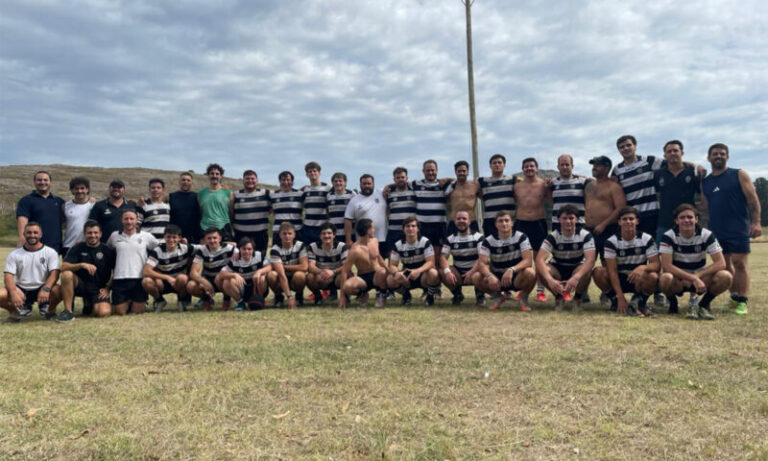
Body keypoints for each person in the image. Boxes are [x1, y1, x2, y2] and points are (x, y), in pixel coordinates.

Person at [701, 143, 762, 315]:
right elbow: (704, 206)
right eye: (715, 154)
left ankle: (742, 301)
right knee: (725, 266)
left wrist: (756, 222)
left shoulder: (738, 174)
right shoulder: (706, 182)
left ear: (727, 157)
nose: (718, 156)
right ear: (709, 158)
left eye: (722, 154)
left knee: (740, 263)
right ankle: (734, 299)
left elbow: (752, 199)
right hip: (717, 229)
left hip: (738, 227)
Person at [659, 204, 733, 319]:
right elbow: (666, 266)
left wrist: (696, 277)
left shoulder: (707, 235)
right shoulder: (668, 236)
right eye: (682, 217)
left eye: (690, 217)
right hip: (679, 279)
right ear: (676, 221)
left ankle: (703, 305)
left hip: (701, 279)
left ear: (696, 219)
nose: (686, 220)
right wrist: (691, 278)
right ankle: (673, 304)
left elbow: (721, 263)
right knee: (665, 278)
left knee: (726, 276)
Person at [592, 207, 659, 316]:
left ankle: (639, 303)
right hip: (619, 279)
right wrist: (620, 297)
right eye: (624, 219)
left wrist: (642, 268)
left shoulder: (647, 238)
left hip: (637, 278)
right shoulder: (611, 241)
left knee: (653, 276)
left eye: (631, 219)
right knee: (598, 272)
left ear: (637, 221)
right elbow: (612, 271)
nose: (628, 222)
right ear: (619, 222)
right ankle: (615, 302)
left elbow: (656, 264)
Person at [536, 205, 597, 312]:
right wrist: (550, 280)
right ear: (559, 220)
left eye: (571, 218)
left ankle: (577, 298)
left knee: (586, 271)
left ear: (577, 219)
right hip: (558, 268)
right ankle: (559, 297)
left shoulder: (585, 235)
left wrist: (576, 278)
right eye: (564, 218)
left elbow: (590, 260)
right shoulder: (553, 236)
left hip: (576, 267)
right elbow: (539, 260)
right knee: (542, 271)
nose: (568, 221)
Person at [1, 222, 61, 323]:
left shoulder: (50, 252)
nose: (32, 235)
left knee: (60, 290)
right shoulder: (14, 254)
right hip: (21, 289)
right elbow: (8, 276)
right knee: (1, 294)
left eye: (35, 233)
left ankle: (49, 310)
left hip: (42, 287)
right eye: (29, 233)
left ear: (41, 234)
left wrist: (46, 289)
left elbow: (54, 273)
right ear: (24, 234)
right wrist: (13, 293)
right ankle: (15, 312)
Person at [476, 211, 536, 311]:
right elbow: (481, 263)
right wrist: (490, 276)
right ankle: (497, 297)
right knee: (476, 277)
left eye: (506, 220)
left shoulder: (521, 237)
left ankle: (523, 299)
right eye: (500, 221)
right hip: (497, 279)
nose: (504, 224)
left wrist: (511, 269)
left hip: (516, 277)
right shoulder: (488, 241)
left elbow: (528, 261)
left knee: (530, 272)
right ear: (496, 224)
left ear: (512, 223)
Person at [58, 220, 115, 321]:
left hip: (98, 289)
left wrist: (107, 288)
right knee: (66, 275)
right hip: (80, 285)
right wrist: (81, 265)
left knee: (103, 312)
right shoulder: (78, 247)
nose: (92, 235)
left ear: (100, 234)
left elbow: (115, 272)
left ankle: (89, 304)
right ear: (84, 234)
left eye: (95, 233)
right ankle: (68, 312)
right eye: (89, 233)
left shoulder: (107, 251)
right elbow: (63, 267)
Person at [106, 209, 160, 315]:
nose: (129, 221)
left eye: (132, 219)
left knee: (137, 312)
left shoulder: (146, 236)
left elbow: (160, 249)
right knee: (120, 312)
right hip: (120, 279)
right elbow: (106, 250)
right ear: (121, 220)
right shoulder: (114, 236)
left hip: (139, 279)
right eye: (126, 219)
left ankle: (140, 301)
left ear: (136, 221)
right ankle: (127, 301)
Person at [611, 135, 664, 240]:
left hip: (651, 213)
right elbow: (609, 185)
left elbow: (673, 164)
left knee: (652, 247)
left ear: (634, 146)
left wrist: (695, 166)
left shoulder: (649, 160)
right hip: (632, 217)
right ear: (619, 150)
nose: (625, 148)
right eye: (622, 147)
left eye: (628, 145)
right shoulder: (617, 170)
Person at [513, 157, 550, 301]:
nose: (529, 169)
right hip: (521, 223)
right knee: (521, 259)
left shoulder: (544, 184)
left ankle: (540, 290)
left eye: (531, 166)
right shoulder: (516, 186)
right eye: (526, 167)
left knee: (538, 258)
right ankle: (522, 288)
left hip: (538, 223)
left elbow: (552, 199)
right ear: (523, 169)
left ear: (537, 168)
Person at [654, 140, 703, 242]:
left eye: (675, 151)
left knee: (690, 255)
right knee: (662, 255)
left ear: (682, 153)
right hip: (665, 222)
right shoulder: (658, 174)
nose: (672, 153)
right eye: (669, 151)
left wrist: (701, 206)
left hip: (687, 221)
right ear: (665, 155)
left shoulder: (692, 173)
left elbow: (702, 192)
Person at [386, 217, 441, 306]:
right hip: (407, 276)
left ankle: (430, 296)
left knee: (433, 273)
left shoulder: (425, 241)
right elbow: (392, 265)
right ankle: (406, 295)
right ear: (403, 229)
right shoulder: (398, 244)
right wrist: (396, 273)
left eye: (413, 226)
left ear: (418, 229)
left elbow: (431, 262)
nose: (410, 228)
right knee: (390, 279)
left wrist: (418, 271)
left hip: (423, 274)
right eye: (407, 226)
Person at [142, 224, 193, 312]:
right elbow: (146, 271)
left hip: (179, 283)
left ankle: (181, 301)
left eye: (174, 237)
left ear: (179, 238)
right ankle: (160, 300)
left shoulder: (186, 248)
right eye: (168, 237)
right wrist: (167, 278)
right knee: (146, 281)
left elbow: (204, 248)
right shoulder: (157, 250)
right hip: (162, 283)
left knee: (182, 278)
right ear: (164, 237)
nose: (171, 240)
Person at [584, 156, 625, 262]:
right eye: (593, 165)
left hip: (608, 230)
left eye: (597, 165)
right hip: (589, 230)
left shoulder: (614, 186)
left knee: (608, 264)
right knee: (585, 264)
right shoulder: (589, 185)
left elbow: (620, 208)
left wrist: (604, 224)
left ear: (607, 168)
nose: (594, 167)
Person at [439, 210, 485, 305]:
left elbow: (482, 258)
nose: (461, 221)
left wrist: (471, 272)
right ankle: (457, 295)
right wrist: (447, 272)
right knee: (442, 271)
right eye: (458, 219)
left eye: (464, 218)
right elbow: (443, 257)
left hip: (475, 271)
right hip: (458, 272)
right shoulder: (450, 239)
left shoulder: (479, 237)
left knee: (482, 270)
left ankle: (480, 296)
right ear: (455, 222)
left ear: (469, 221)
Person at [186, 227, 237, 311]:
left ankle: (227, 299)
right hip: (209, 279)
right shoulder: (202, 250)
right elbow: (193, 272)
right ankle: (207, 299)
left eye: (214, 238)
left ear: (220, 238)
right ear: (205, 239)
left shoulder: (230, 249)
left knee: (224, 278)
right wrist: (204, 281)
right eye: (209, 238)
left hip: (224, 279)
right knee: (191, 286)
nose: (212, 240)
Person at [16, 170, 65, 253]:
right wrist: (22, 239)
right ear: (34, 182)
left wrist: (89, 200)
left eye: (45, 180)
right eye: (39, 180)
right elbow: (22, 221)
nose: (42, 182)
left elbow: (66, 219)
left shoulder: (59, 201)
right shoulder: (26, 200)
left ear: (50, 182)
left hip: (55, 247)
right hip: (34, 246)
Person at [219, 237, 271, 311]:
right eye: (244, 249)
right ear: (239, 249)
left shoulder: (259, 255)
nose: (246, 251)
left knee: (262, 277)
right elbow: (221, 274)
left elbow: (269, 267)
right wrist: (234, 275)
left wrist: (259, 272)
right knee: (226, 282)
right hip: (242, 288)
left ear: (253, 249)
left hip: (256, 286)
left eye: (249, 249)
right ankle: (240, 303)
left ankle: (258, 299)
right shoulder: (234, 259)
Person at [344, 174, 388, 256]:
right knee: (365, 266)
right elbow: (348, 220)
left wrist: (389, 185)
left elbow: (395, 184)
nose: (366, 186)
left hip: (382, 238)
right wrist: (348, 239)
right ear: (360, 185)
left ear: (373, 184)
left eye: (369, 183)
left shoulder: (381, 193)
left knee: (381, 265)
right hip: (363, 240)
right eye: (364, 184)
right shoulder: (354, 200)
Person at [266, 222, 308, 308]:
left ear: (294, 235)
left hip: (295, 277)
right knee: (271, 275)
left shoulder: (300, 246)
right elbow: (281, 274)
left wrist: (283, 266)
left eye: (290, 233)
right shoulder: (275, 249)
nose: (287, 236)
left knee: (300, 275)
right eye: (284, 234)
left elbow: (304, 267)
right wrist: (289, 297)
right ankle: (279, 297)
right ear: (280, 235)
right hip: (282, 278)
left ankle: (299, 296)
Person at [410, 159, 449, 248]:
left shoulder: (444, 184)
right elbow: (402, 182)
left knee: (438, 254)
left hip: (439, 225)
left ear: (437, 171)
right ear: (423, 171)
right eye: (428, 170)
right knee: (423, 252)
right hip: (422, 225)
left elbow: (458, 179)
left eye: (433, 170)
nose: (430, 173)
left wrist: (447, 178)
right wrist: (388, 186)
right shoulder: (416, 184)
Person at [231, 169, 271, 256]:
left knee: (260, 259)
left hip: (260, 235)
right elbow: (230, 211)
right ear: (243, 180)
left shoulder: (266, 193)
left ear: (257, 180)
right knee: (241, 259)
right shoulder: (235, 194)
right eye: (247, 179)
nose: (250, 181)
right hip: (240, 234)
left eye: (252, 179)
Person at [306, 223, 348, 305]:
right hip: (322, 276)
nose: (326, 236)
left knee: (347, 273)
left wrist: (333, 272)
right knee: (310, 277)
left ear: (334, 235)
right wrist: (321, 272)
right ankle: (318, 296)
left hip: (337, 276)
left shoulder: (342, 246)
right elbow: (311, 266)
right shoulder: (313, 247)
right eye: (323, 233)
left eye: (329, 233)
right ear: (320, 235)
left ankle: (345, 296)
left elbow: (346, 266)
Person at [477, 154, 517, 238]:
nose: (497, 165)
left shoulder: (513, 179)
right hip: (490, 221)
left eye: (499, 162)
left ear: (504, 165)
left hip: (508, 221)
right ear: (490, 165)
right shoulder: (482, 181)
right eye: (494, 163)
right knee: (491, 248)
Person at [89, 179, 138, 243]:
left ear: (124, 189)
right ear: (109, 188)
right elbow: (91, 225)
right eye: (114, 187)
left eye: (119, 187)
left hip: (126, 244)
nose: (116, 189)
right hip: (104, 245)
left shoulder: (131, 206)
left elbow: (137, 224)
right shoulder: (99, 205)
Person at [550, 155, 589, 232]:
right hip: (558, 224)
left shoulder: (582, 181)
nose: (564, 167)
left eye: (567, 164)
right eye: (562, 165)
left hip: (578, 224)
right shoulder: (552, 183)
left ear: (572, 166)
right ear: (558, 167)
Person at [384, 167, 417, 256]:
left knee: (412, 256)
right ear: (394, 179)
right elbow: (387, 210)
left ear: (407, 178)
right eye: (398, 178)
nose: (400, 180)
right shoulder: (388, 193)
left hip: (410, 231)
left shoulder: (414, 190)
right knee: (392, 256)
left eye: (402, 177)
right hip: (393, 231)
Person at [198, 163, 234, 242]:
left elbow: (231, 212)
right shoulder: (200, 194)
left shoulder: (228, 193)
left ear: (221, 176)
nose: (214, 176)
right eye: (212, 173)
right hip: (205, 228)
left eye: (217, 174)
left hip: (224, 227)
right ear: (208, 175)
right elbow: (200, 212)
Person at [62, 177, 96, 255]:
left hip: (89, 245)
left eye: (82, 188)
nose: (79, 191)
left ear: (87, 190)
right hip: (69, 245)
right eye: (76, 188)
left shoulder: (94, 205)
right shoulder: (65, 206)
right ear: (72, 190)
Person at [444, 161, 480, 234]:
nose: (461, 173)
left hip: (471, 221)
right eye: (459, 171)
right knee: (450, 245)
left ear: (468, 171)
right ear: (455, 172)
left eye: (464, 171)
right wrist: (449, 179)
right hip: (454, 222)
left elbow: (485, 198)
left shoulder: (475, 185)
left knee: (475, 245)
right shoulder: (450, 186)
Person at [269, 170, 303, 247]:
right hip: (278, 231)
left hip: (296, 231)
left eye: (288, 180)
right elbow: (270, 211)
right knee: (277, 255)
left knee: (297, 256)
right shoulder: (273, 195)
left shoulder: (300, 194)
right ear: (280, 181)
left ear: (292, 181)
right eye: (283, 180)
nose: (286, 182)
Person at [300, 162, 331, 245]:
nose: (312, 173)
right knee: (308, 252)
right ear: (307, 174)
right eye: (310, 171)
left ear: (319, 173)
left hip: (322, 227)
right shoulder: (304, 190)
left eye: (314, 171)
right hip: (307, 227)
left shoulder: (328, 188)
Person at [169, 172, 202, 244]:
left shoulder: (197, 197)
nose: (185, 182)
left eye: (188, 180)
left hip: (194, 237)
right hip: (175, 236)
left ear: (192, 182)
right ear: (179, 181)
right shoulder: (171, 196)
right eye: (183, 180)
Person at [326, 172, 356, 244]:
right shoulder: (329, 196)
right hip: (334, 233)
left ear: (345, 183)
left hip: (349, 234)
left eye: (340, 181)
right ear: (332, 183)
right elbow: (327, 211)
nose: (338, 183)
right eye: (335, 181)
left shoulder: (352, 194)